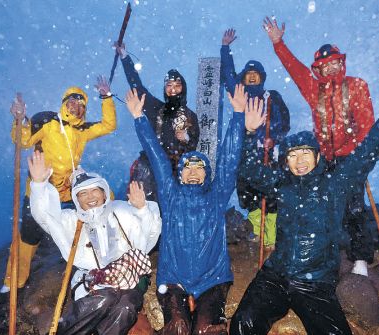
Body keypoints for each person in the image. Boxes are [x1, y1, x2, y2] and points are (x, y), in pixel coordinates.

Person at [229, 63, 379, 335]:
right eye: (292, 155)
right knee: (243, 324)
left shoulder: (336, 184)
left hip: (315, 285)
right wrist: (249, 132)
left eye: (305, 154)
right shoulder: (281, 184)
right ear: (286, 161)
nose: (299, 161)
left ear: (317, 157)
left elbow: (372, 145)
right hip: (275, 277)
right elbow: (248, 169)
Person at [125, 84, 265, 335]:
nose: (192, 171)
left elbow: (229, 159)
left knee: (206, 329)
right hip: (173, 278)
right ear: (179, 174)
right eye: (187, 167)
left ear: (206, 174)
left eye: (199, 167)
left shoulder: (217, 195)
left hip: (213, 278)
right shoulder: (170, 194)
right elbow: (156, 156)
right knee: (177, 326)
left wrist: (237, 117)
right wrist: (139, 118)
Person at [263, 17, 376, 276]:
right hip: (324, 158)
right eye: (324, 66)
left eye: (334, 62)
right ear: (318, 70)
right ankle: (321, 252)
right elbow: (294, 68)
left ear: (341, 63)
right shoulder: (315, 90)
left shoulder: (356, 86)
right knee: (319, 203)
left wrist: (359, 155)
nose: (330, 68)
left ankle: (360, 260)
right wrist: (278, 43)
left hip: (351, 157)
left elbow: (367, 123)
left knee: (354, 205)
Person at [0, 76, 117, 297]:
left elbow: (109, 125)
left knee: (104, 198)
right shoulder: (47, 121)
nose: (76, 107)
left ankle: (108, 256)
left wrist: (106, 97)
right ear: (64, 102)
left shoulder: (83, 130)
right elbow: (22, 141)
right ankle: (13, 282)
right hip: (43, 186)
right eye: (72, 101)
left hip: (69, 187)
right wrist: (20, 120)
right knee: (28, 237)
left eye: (81, 104)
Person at [28, 151, 161, 334]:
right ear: (76, 199)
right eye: (83, 193)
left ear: (104, 192)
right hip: (91, 283)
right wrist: (39, 185)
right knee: (105, 297)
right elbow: (44, 216)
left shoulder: (122, 209)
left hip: (129, 280)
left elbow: (150, 233)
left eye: (94, 191)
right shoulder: (72, 220)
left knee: (126, 307)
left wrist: (142, 210)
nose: (90, 197)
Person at [221, 28, 290, 249]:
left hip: (270, 153)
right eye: (248, 75)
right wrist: (225, 48)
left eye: (255, 75)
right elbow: (227, 75)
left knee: (271, 196)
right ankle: (256, 236)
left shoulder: (272, 97)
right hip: (244, 151)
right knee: (248, 194)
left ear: (261, 78)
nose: (251, 77)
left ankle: (271, 240)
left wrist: (275, 139)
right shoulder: (239, 93)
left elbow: (285, 123)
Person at [115, 43, 200, 202]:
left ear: (183, 88)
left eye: (177, 85)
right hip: (150, 167)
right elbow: (138, 87)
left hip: (176, 171)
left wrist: (187, 138)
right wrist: (125, 57)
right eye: (169, 85)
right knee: (143, 210)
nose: (173, 89)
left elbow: (195, 144)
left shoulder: (191, 117)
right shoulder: (156, 108)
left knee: (168, 211)